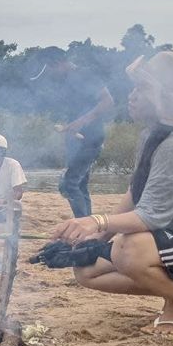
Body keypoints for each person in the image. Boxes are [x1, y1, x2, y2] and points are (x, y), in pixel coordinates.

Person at [51, 52, 173, 336]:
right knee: (86, 268)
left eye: (141, 89)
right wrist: (97, 237)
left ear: (162, 98)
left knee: (129, 248)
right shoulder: (152, 136)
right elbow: (135, 191)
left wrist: (95, 221)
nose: (132, 96)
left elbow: (151, 216)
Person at [31, 47, 115, 218]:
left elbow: (108, 101)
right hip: (77, 142)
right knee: (80, 185)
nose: (50, 76)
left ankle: (84, 226)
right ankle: (89, 227)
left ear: (57, 63)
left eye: (49, 70)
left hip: (90, 139)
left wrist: (81, 121)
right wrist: (68, 128)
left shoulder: (84, 75)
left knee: (68, 184)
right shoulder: (67, 81)